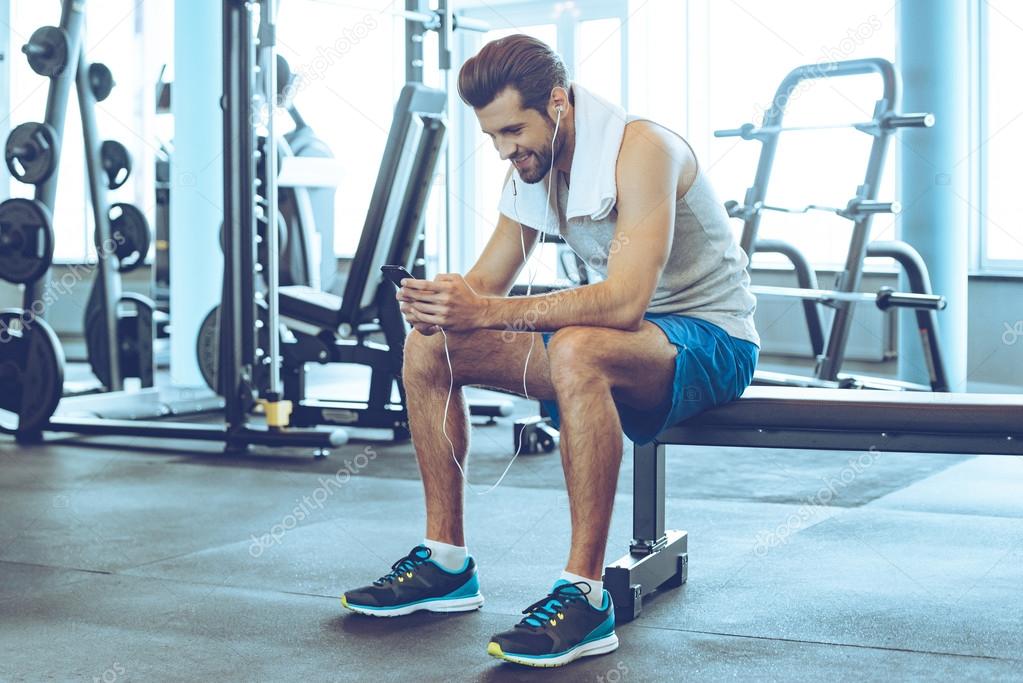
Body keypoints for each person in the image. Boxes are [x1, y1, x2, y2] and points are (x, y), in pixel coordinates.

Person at [341, 34, 760, 668]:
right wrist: (442, 305)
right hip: (624, 339)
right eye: (492, 138)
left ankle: (586, 597)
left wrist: (484, 311)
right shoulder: (535, 165)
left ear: (558, 102)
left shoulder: (643, 149)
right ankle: (447, 562)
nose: (506, 150)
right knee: (429, 350)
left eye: (513, 130)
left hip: (711, 340)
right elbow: (488, 284)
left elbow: (623, 302)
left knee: (577, 349)